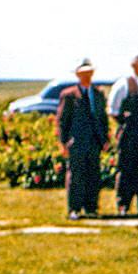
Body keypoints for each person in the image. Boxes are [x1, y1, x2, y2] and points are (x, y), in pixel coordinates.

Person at [56, 58, 110, 220]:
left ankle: (91, 207)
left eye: (89, 72)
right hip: (77, 141)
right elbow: (62, 120)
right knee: (76, 175)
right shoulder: (69, 95)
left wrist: (105, 138)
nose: (87, 76)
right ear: (78, 74)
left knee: (94, 175)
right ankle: (74, 208)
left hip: (95, 141)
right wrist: (63, 143)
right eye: (83, 73)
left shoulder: (98, 94)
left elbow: (102, 117)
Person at [108, 54, 138, 217]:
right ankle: (123, 205)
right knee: (126, 169)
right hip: (129, 135)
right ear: (133, 65)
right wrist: (125, 123)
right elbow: (113, 110)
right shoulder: (124, 84)